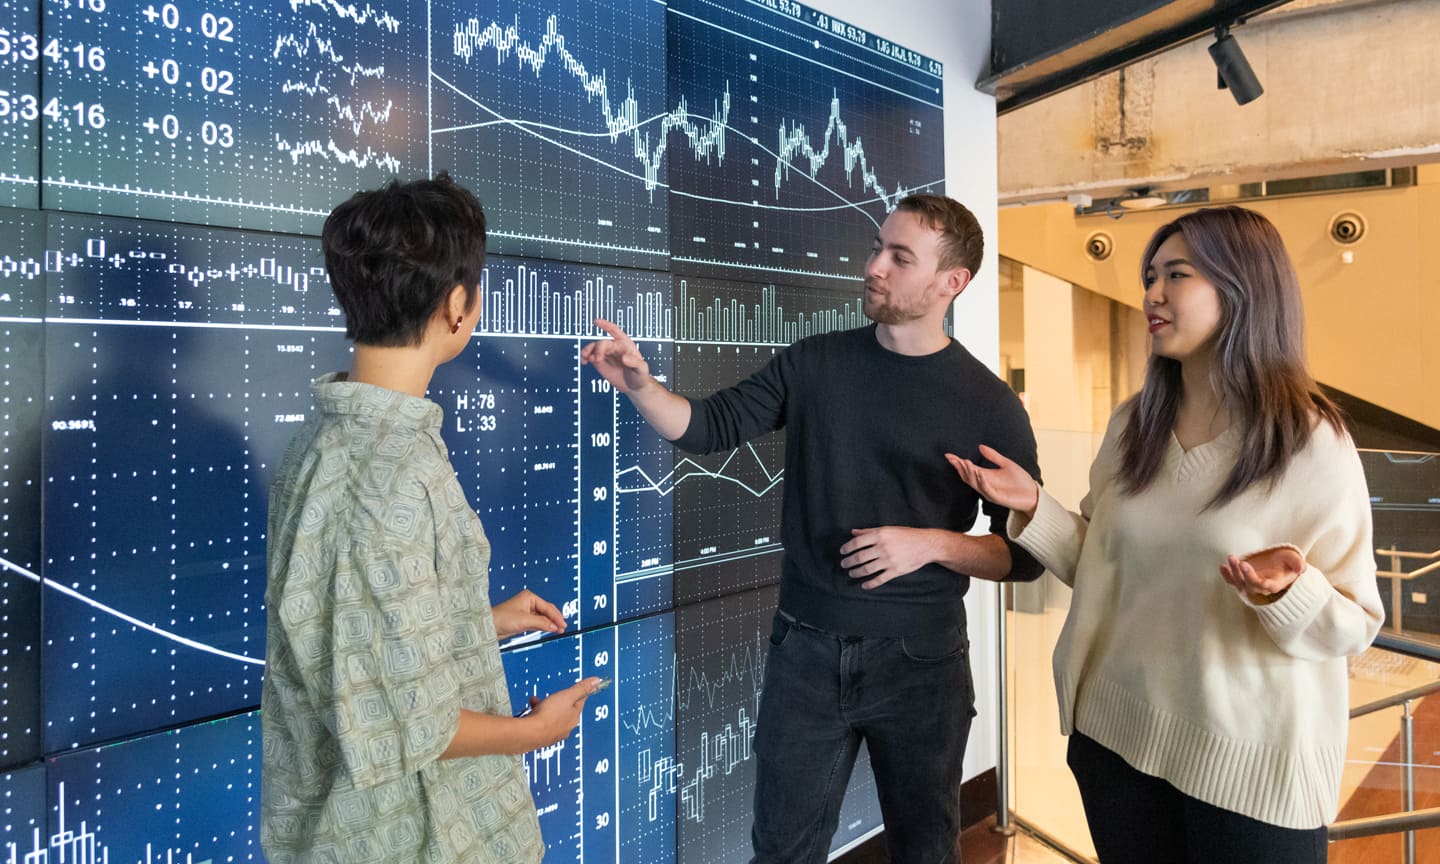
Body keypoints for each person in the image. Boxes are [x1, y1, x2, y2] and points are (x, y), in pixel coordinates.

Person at [582, 194, 1043, 863]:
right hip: (805, 652)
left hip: (923, 666)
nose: (874, 265)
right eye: (878, 247)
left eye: (899, 257)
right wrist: (641, 386)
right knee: (783, 852)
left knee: (926, 851)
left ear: (952, 282)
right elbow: (710, 426)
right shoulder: (815, 362)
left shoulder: (988, 402)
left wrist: (931, 545)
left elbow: (1024, 556)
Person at [948, 206, 1383, 863]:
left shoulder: (1308, 442)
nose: (1152, 293)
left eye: (1176, 275)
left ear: (1243, 289)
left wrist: (1287, 593)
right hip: (1113, 743)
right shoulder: (1134, 426)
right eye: (1150, 275)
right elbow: (1101, 560)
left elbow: (1355, 624)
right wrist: (1035, 506)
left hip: (1246, 773)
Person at [260, 174, 602, 864]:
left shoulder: (329, 441)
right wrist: (537, 731)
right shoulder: (387, 475)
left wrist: (480, 621)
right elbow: (409, 728)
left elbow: (361, 638)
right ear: (456, 306)